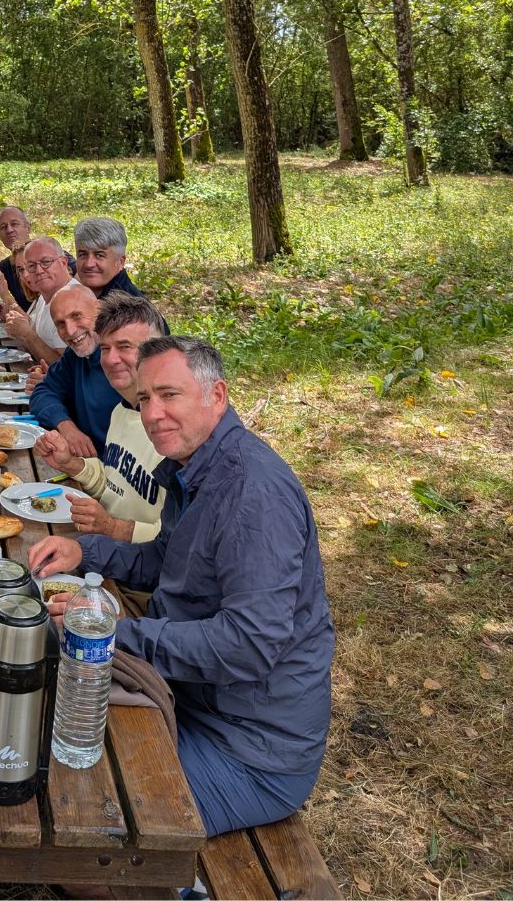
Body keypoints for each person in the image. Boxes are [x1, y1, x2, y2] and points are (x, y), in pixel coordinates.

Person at [28, 336, 334, 838]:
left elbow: (248, 645)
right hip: (189, 698)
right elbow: (170, 561)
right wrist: (87, 551)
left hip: (251, 748)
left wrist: (116, 634)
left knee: (83, 828)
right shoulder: (193, 467)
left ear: (216, 396)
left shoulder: (253, 494)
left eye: (169, 395)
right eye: (145, 399)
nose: (153, 414)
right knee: (52, 735)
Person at [35, 292, 169, 542]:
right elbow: (115, 488)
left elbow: (178, 540)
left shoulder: (175, 431)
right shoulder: (121, 412)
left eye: (125, 347)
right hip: (104, 545)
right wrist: (71, 465)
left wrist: (111, 527)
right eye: (106, 348)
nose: (110, 359)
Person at [29, 284, 121, 459]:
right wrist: (66, 425)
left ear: (99, 309)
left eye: (76, 316)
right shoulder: (77, 356)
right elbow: (44, 390)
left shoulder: (125, 362)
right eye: (61, 324)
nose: (70, 331)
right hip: (84, 464)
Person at [2, 236, 76, 364]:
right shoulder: (45, 294)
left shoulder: (70, 302)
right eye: (31, 266)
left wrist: (27, 335)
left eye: (46, 262)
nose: (39, 271)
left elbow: (67, 370)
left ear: (63, 262)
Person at [74, 217, 144, 298]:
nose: (89, 264)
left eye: (99, 255)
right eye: (83, 254)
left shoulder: (128, 307)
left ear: (120, 262)